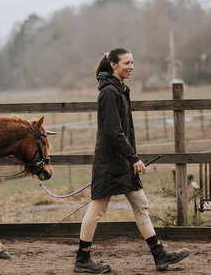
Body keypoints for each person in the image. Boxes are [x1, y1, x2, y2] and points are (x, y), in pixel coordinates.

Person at [74, 48, 190, 273]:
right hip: (110, 163)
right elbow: (113, 132)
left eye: (133, 62)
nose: (131, 67)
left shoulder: (119, 89)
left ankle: (159, 254)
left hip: (122, 162)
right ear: (113, 65)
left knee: (140, 203)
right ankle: (82, 259)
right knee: (97, 209)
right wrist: (133, 157)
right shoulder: (109, 92)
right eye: (126, 63)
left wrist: (129, 159)